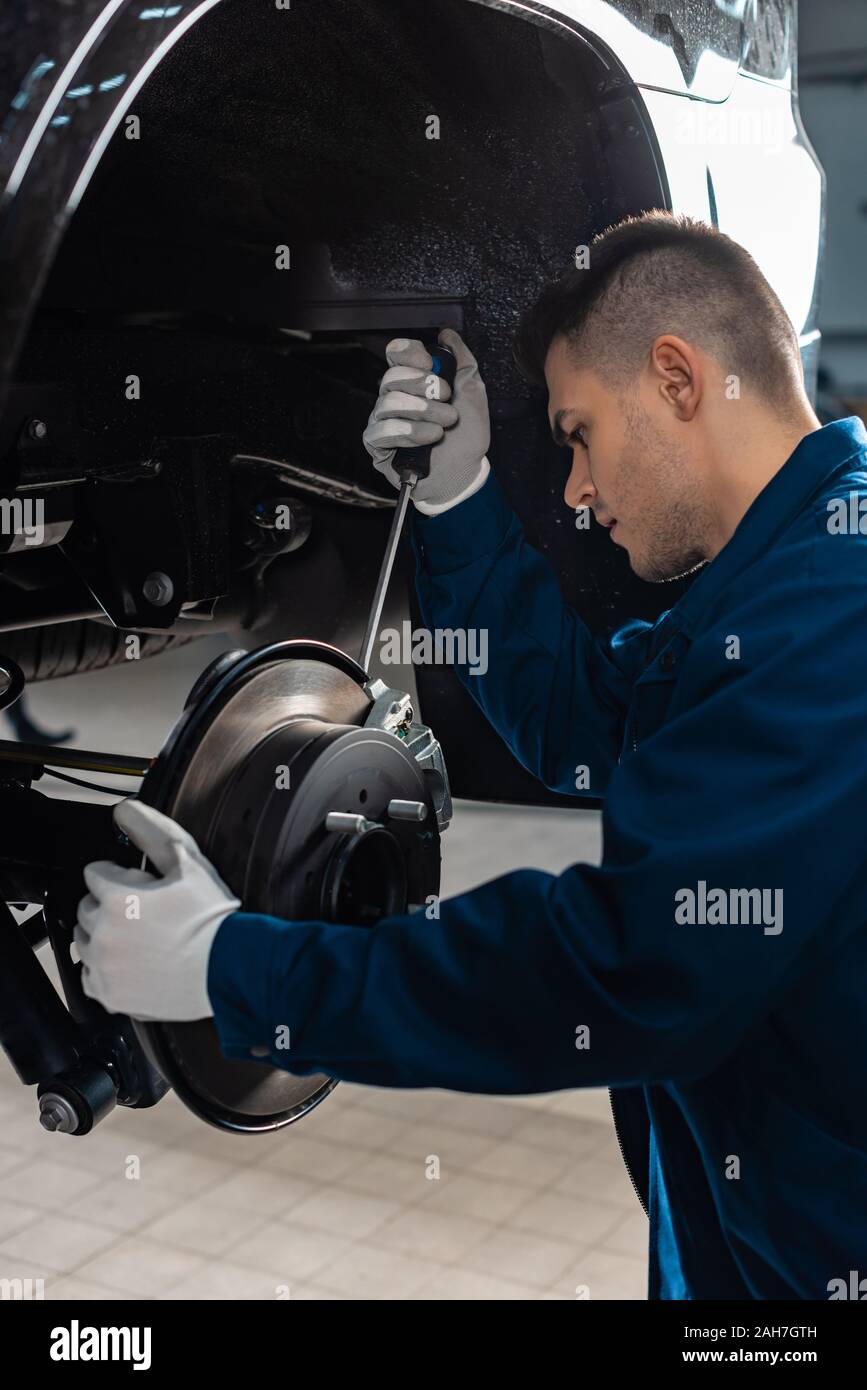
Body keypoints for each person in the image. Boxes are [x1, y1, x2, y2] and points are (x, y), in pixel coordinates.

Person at [76, 211, 867, 1300]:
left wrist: (236, 969)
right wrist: (457, 492)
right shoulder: (782, 591)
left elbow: (625, 966)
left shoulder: (841, 607)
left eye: (579, 432)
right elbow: (585, 713)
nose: (579, 494)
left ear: (679, 378)